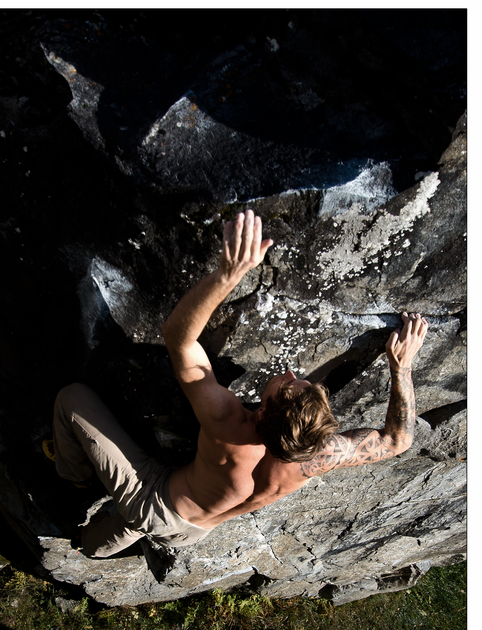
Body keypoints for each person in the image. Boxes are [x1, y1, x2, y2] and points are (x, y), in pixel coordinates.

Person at [50, 210, 428, 557]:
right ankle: (94, 543)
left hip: (158, 504)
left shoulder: (227, 424)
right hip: (198, 530)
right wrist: (402, 366)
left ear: (263, 410)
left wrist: (227, 275)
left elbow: (178, 338)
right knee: (138, 527)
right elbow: (398, 440)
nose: (294, 374)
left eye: (292, 384)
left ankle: (75, 484)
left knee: (72, 399)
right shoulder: (320, 455)